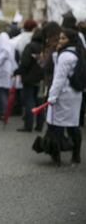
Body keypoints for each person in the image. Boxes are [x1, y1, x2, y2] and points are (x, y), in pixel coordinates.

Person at [46, 28, 83, 166]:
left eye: (63, 38)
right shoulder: (77, 52)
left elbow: (59, 78)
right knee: (73, 125)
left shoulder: (65, 56)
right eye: (60, 38)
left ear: (70, 40)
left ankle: (56, 158)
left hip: (63, 95)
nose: (60, 41)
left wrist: (52, 95)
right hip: (75, 94)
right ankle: (76, 156)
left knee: (56, 126)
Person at [14, 29, 45, 132]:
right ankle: (40, 125)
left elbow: (25, 63)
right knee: (40, 101)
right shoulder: (45, 47)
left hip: (29, 78)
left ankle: (28, 125)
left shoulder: (30, 46)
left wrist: (17, 72)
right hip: (41, 78)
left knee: (29, 101)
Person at [0, 20, 17, 121]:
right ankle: (1, 112)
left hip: (2, 68)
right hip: (0, 69)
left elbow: (6, 51)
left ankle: (5, 113)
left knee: (2, 92)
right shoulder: (0, 36)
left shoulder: (3, 35)